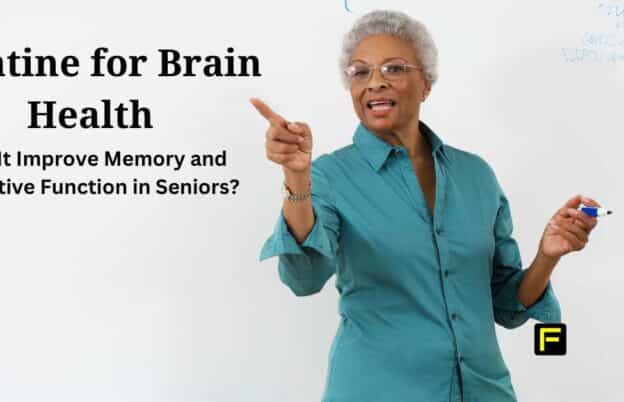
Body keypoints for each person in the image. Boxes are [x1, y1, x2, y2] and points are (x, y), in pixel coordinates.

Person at [252, 9, 601, 402]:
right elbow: (304, 278)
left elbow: (506, 304)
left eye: (394, 68)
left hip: (484, 391)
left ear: (426, 84)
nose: (376, 83)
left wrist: (547, 256)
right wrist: (297, 178)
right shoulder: (331, 176)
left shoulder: (476, 176)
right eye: (360, 72)